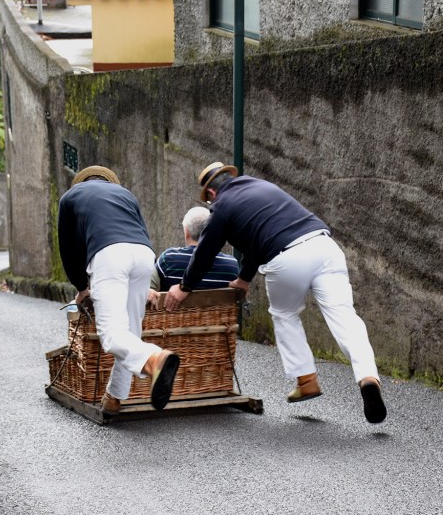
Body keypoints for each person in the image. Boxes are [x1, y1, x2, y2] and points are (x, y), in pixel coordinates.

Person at [163, 162, 387, 424]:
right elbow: (261, 236)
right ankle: (368, 377)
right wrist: (244, 279)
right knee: (345, 317)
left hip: (288, 256)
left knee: (284, 313)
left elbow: (206, 249)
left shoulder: (222, 207)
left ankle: (306, 379)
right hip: (325, 246)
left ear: (210, 193)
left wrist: (184, 286)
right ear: (231, 178)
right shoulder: (261, 187)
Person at [57, 165, 180, 413]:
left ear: (81, 182)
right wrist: (145, 284)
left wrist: (81, 287)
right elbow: (140, 232)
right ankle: (114, 397)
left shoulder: (70, 197)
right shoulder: (125, 194)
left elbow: (68, 250)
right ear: (109, 181)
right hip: (144, 254)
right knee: (130, 331)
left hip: (109, 254)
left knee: (111, 334)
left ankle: (153, 359)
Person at [149, 206, 239, 300]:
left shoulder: (168, 259)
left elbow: (149, 290)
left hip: (175, 314)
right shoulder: (232, 265)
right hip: (222, 314)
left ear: (186, 232)